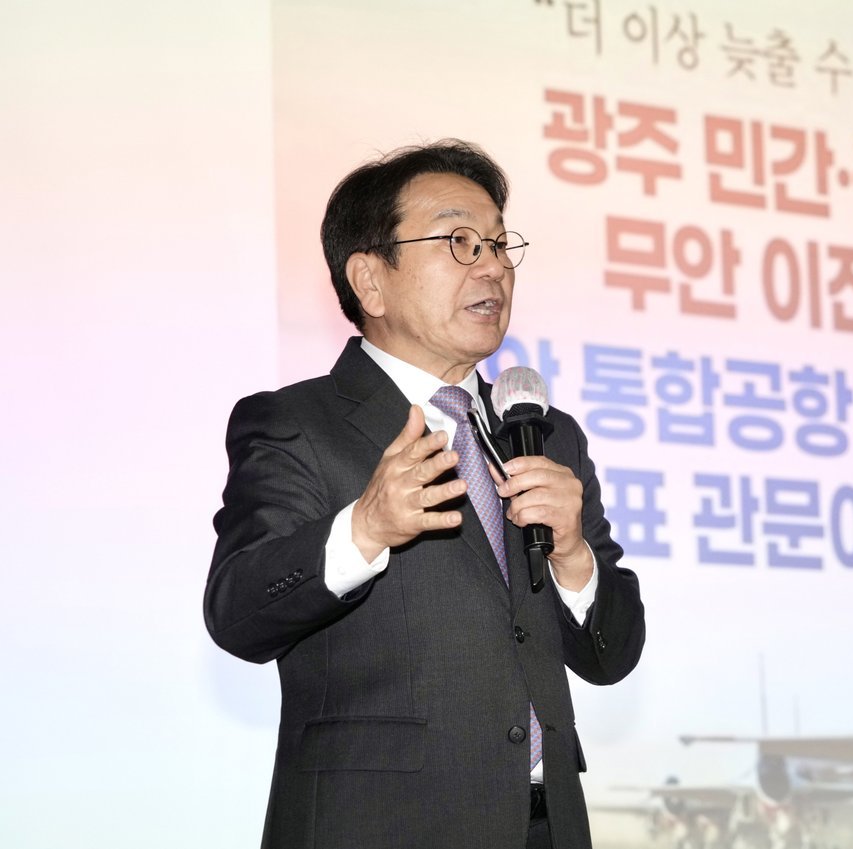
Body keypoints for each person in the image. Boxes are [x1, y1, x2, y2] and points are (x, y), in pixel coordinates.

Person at [204, 139, 646, 849]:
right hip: (379, 826)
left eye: (499, 244)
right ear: (370, 281)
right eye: (459, 242)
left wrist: (573, 558)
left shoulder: (543, 433)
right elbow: (238, 614)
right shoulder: (297, 424)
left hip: (546, 827)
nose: (493, 266)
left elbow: (610, 655)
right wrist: (364, 528)